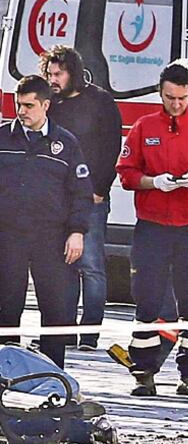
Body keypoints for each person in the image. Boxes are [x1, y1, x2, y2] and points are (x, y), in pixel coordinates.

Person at [116, 63, 188, 397]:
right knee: (147, 298)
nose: (175, 104)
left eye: (181, 97)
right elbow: (126, 173)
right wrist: (154, 182)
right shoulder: (143, 126)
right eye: (169, 97)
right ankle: (144, 371)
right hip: (153, 225)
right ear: (160, 94)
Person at [0, 76, 92, 367]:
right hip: (8, 236)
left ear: (45, 105)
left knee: (55, 309)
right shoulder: (3, 138)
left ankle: (54, 375)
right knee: (5, 308)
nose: (22, 111)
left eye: (29, 105)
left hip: (51, 237)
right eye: (19, 105)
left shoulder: (65, 143)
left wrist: (77, 232)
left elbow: (81, 193)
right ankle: (5, 373)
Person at [41, 45, 122, 351]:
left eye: (58, 74)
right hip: (57, 200)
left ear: (72, 72)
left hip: (92, 197)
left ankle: (89, 333)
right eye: (50, 74)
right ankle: (62, 331)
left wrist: (101, 189)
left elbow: (111, 147)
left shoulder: (100, 101)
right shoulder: (54, 105)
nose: (53, 79)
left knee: (91, 266)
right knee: (63, 266)